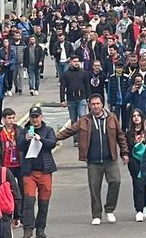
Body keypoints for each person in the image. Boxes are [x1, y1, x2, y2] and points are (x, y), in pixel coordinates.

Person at [55, 94, 129, 225]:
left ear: (102, 104)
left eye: (98, 104)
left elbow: (120, 135)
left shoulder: (112, 118)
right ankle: (96, 214)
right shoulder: (84, 120)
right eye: (93, 104)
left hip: (110, 159)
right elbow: (70, 131)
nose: (95, 106)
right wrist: (53, 138)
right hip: (93, 161)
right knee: (94, 188)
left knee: (116, 182)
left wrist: (124, 152)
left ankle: (110, 209)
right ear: (89, 105)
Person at [18, 106, 58, 238]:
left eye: (37, 116)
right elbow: (19, 146)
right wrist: (26, 139)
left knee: (44, 202)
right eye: (33, 117)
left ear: (42, 117)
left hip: (45, 171)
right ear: (30, 118)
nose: (35, 119)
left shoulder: (48, 130)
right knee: (29, 201)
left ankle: (40, 229)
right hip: (29, 172)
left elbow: (52, 143)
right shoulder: (24, 131)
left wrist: (40, 139)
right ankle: (28, 230)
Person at [126, 109, 146, 224]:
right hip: (134, 162)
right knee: (138, 185)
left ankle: (145, 206)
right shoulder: (129, 133)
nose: (136, 117)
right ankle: (139, 210)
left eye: (138, 115)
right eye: (134, 116)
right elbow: (125, 148)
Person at [59, 55, 89, 131]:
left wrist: (89, 98)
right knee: (73, 120)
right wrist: (62, 100)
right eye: (74, 61)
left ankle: (83, 136)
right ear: (70, 62)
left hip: (81, 98)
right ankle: (75, 139)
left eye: (77, 61)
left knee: (82, 117)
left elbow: (87, 86)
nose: (76, 63)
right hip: (71, 99)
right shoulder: (65, 74)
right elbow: (62, 87)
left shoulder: (83, 73)